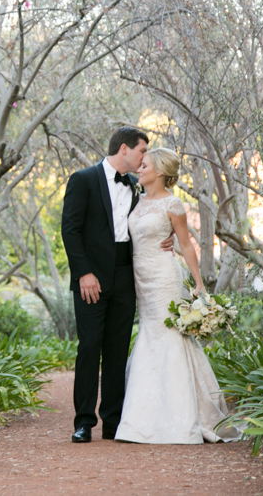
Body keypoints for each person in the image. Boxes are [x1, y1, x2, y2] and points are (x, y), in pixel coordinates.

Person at [114, 147, 241, 444]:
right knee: (149, 333)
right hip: (140, 278)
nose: (138, 167)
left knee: (169, 335)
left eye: (144, 164)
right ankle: (143, 416)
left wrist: (198, 283)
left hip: (164, 277)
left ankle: (180, 417)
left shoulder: (174, 204)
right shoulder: (135, 198)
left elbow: (185, 245)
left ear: (159, 171)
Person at [60, 127, 173, 443]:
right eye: (141, 151)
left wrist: (170, 236)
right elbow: (70, 230)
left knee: (116, 350)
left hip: (126, 278)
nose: (143, 158)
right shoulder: (82, 180)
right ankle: (83, 421)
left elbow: (159, 214)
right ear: (124, 149)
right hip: (91, 281)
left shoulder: (139, 187)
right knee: (89, 347)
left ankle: (113, 422)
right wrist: (83, 272)